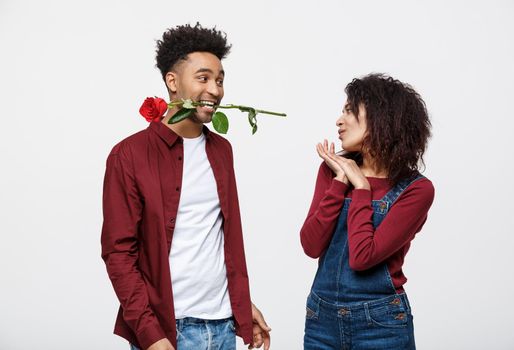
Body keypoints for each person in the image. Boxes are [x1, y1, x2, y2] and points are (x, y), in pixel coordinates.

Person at [101, 23, 271, 350]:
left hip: (223, 327)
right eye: (204, 78)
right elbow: (118, 252)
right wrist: (151, 335)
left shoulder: (222, 152)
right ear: (173, 81)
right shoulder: (129, 155)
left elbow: (220, 241)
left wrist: (241, 304)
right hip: (169, 329)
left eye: (220, 80)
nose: (216, 90)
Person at [300, 73, 434, 349]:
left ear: (380, 118)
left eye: (350, 111)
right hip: (321, 318)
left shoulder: (416, 190)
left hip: (381, 324)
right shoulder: (332, 170)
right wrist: (340, 181)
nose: (339, 120)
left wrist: (361, 186)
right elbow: (311, 244)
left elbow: (362, 257)